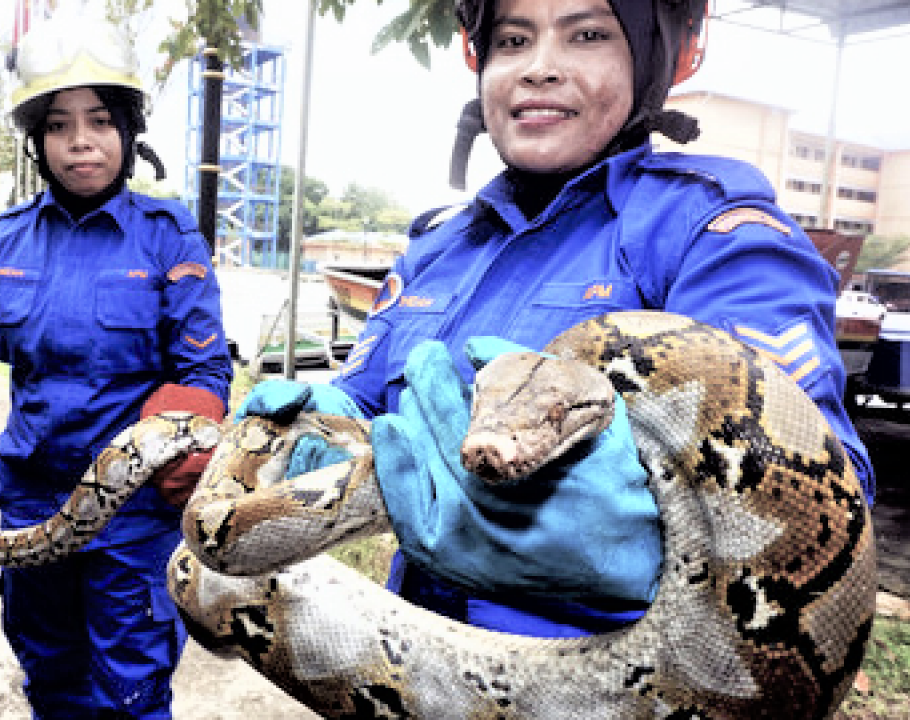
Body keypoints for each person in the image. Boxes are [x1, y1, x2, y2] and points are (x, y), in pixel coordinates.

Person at [239, 0, 873, 640]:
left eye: (588, 34)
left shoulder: (712, 234)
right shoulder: (438, 246)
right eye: (513, 41)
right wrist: (310, 423)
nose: (538, 68)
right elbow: (364, 403)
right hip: (416, 642)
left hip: (619, 665)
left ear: (648, 61)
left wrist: (635, 536)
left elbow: (821, 488)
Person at [0, 15, 232, 719]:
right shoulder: (2, 244)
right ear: (37, 142)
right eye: (59, 124)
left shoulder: (169, 240)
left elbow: (205, 369)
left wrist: (189, 435)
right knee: (50, 679)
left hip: (133, 521)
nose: (80, 140)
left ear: (128, 132)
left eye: (100, 120)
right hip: (29, 508)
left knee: (131, 691)